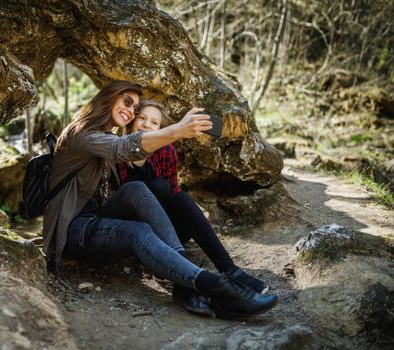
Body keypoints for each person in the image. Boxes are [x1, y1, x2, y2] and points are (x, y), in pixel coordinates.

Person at [42, 80, 278, 319]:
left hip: (99, 217)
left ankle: (188, 281)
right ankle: (217, 288)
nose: (131, 110)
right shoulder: (81, 134)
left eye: (134, 107)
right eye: (127, 101)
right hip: (73, 229)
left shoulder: (105, 136)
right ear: (109, 97)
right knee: (139, 230)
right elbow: (122, 148)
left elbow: (160, 189)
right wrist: (177, 130)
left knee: (137, 189)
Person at [116, 99, 270, 314]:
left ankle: (231, 271)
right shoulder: (116, 150)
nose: (146, 125)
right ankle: (184, 286)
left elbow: (174, 197)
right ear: (132, 122)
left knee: (176, 196)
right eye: (142, 118)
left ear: (161, 129)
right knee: (151, 188)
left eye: (154, 123)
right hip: (137, 231)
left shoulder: (166, 151)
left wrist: (198, 225)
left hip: (168, 231)